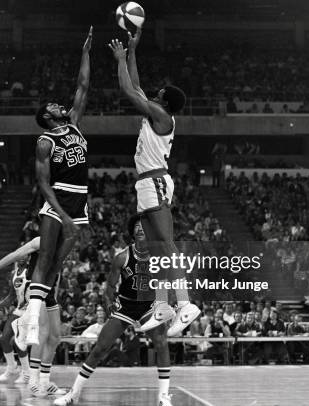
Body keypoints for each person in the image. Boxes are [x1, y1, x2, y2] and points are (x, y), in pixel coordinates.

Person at [108, 30, 200, 337]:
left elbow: (127, 89)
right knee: (158, 250)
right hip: (147, 184)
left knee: (167, 247)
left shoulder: (161, 115)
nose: (155, 92)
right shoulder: (158, 112)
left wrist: (120, 59)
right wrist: (133, 52)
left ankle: (186, 304)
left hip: (155, 182)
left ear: (164, 101)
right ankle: (162, 305)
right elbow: (136, 87)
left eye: (159, 92)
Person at [17, 27, 93, 348]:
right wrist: (61, 214)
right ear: (47, 117)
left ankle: (27, 318)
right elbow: (43, 184)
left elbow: (83, 85)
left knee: (57, 267)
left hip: (80, 201)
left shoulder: (74, 123)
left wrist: (85, 52)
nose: (59, 104)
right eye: (52, 106)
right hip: (58, 198)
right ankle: (31, 322)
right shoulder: (44, 141)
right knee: (45, 259)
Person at [54, 216, 173, 406]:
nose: (141, 229)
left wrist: (163, 304)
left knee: (161, 342)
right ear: (132, 232)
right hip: (125, 306)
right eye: (137, 227)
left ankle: (163, 396)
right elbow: (109, 287)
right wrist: (110, 302)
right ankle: (73, 394)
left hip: (148, 306)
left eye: (145, 227)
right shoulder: (122, 257)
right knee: (100, 348)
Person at [0, 236, 67, 397]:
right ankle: (33, 381)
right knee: (42, 333)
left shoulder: (64, 243)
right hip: (37, 290)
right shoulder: (41, 240)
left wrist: (55, 295)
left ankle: (45, 381)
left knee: (55, 338)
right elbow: (14, 255)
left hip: (50, 292)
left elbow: (57, 272)